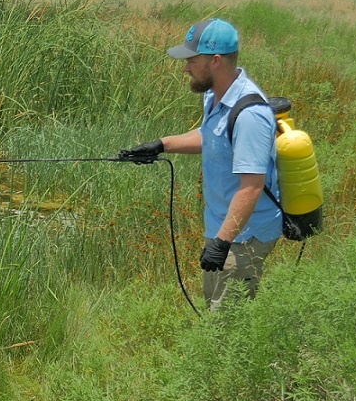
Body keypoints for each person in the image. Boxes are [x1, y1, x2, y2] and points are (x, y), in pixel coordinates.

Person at [121, 18, 282, 310]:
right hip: (226, 228)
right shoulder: (216, 96)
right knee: (217, 308)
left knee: (225, 325)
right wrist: (161, 144)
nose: (185, 67)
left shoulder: (250, 115)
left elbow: (251, 187)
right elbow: (212, 137)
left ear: (215, 61)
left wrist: (222, 242)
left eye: (191, 60)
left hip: (245, 235)